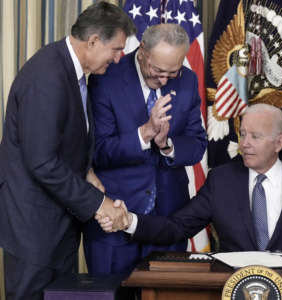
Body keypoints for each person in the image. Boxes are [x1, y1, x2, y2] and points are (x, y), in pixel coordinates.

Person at [0, 2, 135, 300]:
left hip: (57, 224)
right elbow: (42, 162)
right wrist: (99, 203)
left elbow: (61, 139)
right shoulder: (47, 76)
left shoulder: (70, 70)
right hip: (33, 228)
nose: (117, 59)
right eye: (116, 49)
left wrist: (86, 172)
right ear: (94, 41)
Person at [99, 103, 282, 253]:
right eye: (242, 134)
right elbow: (177, 226)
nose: (244, 144)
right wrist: (129, 221)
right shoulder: (222, 180)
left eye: (255, 137)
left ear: (279, 142)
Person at [83, 23, 207, 275]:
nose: (163, 79)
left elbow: (197, 145)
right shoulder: (106, 76)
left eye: (171, 73)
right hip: (115, 217)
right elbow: (98, 151)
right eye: (157, 70)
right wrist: (143, 134)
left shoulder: (187, 80)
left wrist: (166, 144)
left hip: (168, 219)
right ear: (142, 51)